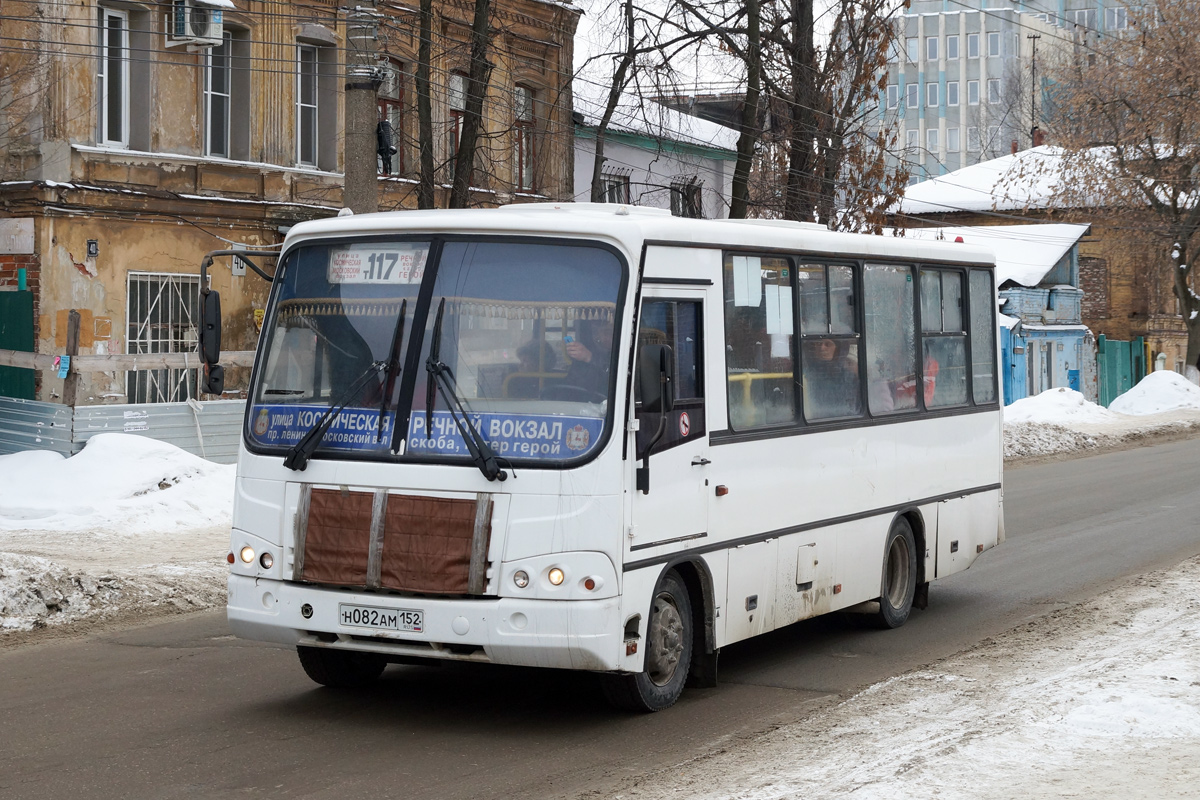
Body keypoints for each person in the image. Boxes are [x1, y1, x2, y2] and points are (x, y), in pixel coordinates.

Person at [802, 338, 862, 419]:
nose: (822, 348)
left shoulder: (850, 374)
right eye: (818, 344)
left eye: (827, 344)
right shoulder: (807, 372)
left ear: (838, 349)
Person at [559, 317, 614, 400]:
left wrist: (590, 358)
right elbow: (569, 386)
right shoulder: (580, 361)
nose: (600, 338)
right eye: (596, 332)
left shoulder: (624, 354)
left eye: (607, 332)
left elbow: (615, 378)